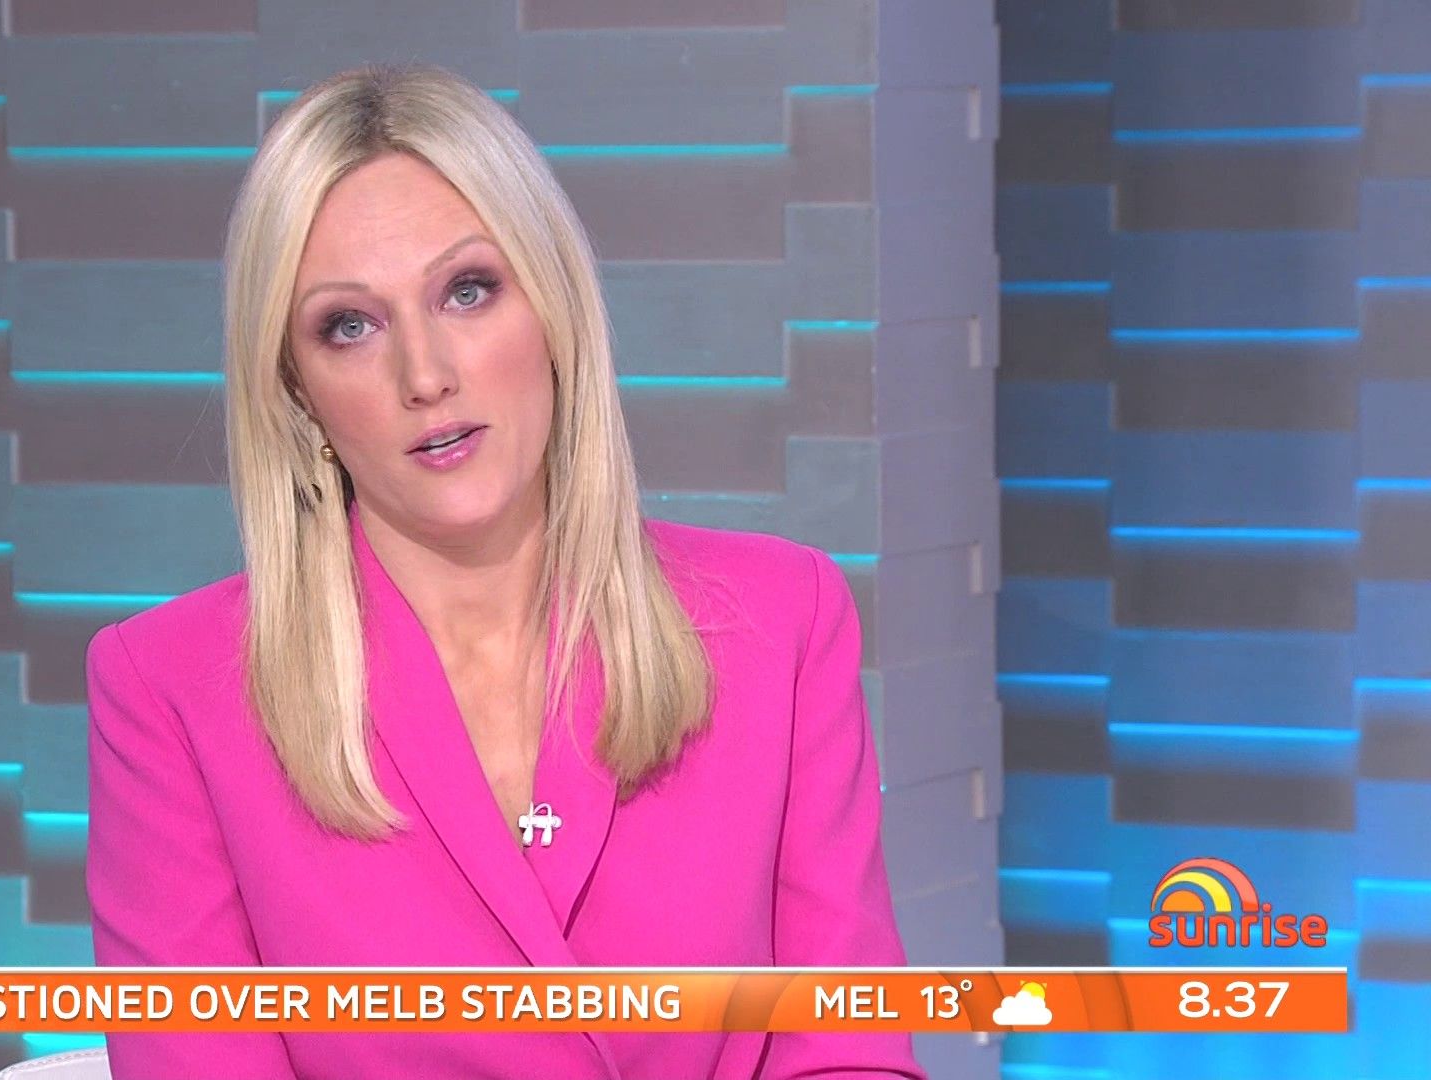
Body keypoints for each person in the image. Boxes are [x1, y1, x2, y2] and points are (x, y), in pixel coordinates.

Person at [85, 61, 924, 1080]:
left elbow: (845, 1047)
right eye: (349, 326)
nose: (425, 374)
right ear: (296, 389)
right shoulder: (170, 691)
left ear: (553, 309)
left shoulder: (782, 622)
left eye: (468, 291)